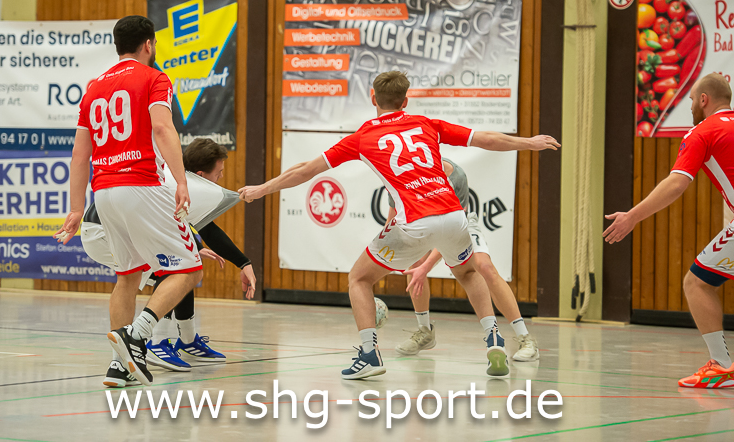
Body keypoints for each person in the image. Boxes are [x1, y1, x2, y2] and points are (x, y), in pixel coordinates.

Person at [239, 71, 559, 380]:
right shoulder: (426, 124)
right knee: (468, 272)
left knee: (359, 279)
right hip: (454, 216)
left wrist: (262, 189)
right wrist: (529, 143)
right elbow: (485, 139)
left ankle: (369, 355)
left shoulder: (363, 136)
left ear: (373, 98)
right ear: (405, 101)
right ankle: (492, 336)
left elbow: (306, 170)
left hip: (416, 222)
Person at [54, 15, 224, 387]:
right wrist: (182, 180)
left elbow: (79, 156)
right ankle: (137, 336)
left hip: (104, 191)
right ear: (149, 44)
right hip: (142, 184)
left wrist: (76, 208)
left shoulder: (94, 87)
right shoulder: (154, 78)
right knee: (189, 269)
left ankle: (120, 365)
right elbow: (162, 127)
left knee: (128, 276)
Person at [80, 138, 257, 385]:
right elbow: (209, 231)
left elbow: (195, 226)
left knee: (143, 276)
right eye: (219, 173)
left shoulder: (167, 175)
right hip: (114, 226)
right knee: (181, 269)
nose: (221, 179)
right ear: (200, 175)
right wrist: (243, 262)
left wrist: (209, 252)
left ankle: (121, 365)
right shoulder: (189, 185)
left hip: (96, 227)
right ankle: (152, 341)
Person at [604, 73, 734, 389]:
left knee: (697, 282)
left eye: (690, 100)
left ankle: (722, 366)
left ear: (703, 99)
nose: (690, 106)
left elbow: (677, 183)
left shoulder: (703, 132)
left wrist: (632, 217)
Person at [394, 158, 539, 367]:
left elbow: (451, 232)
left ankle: (525, 338)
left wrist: (427, 266)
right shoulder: (400, 173)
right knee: (414, 264)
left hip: (458, 226)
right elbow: (393, 220)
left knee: (483, 267)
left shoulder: (455, 176)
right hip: (426, 225)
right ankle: (424, 331)